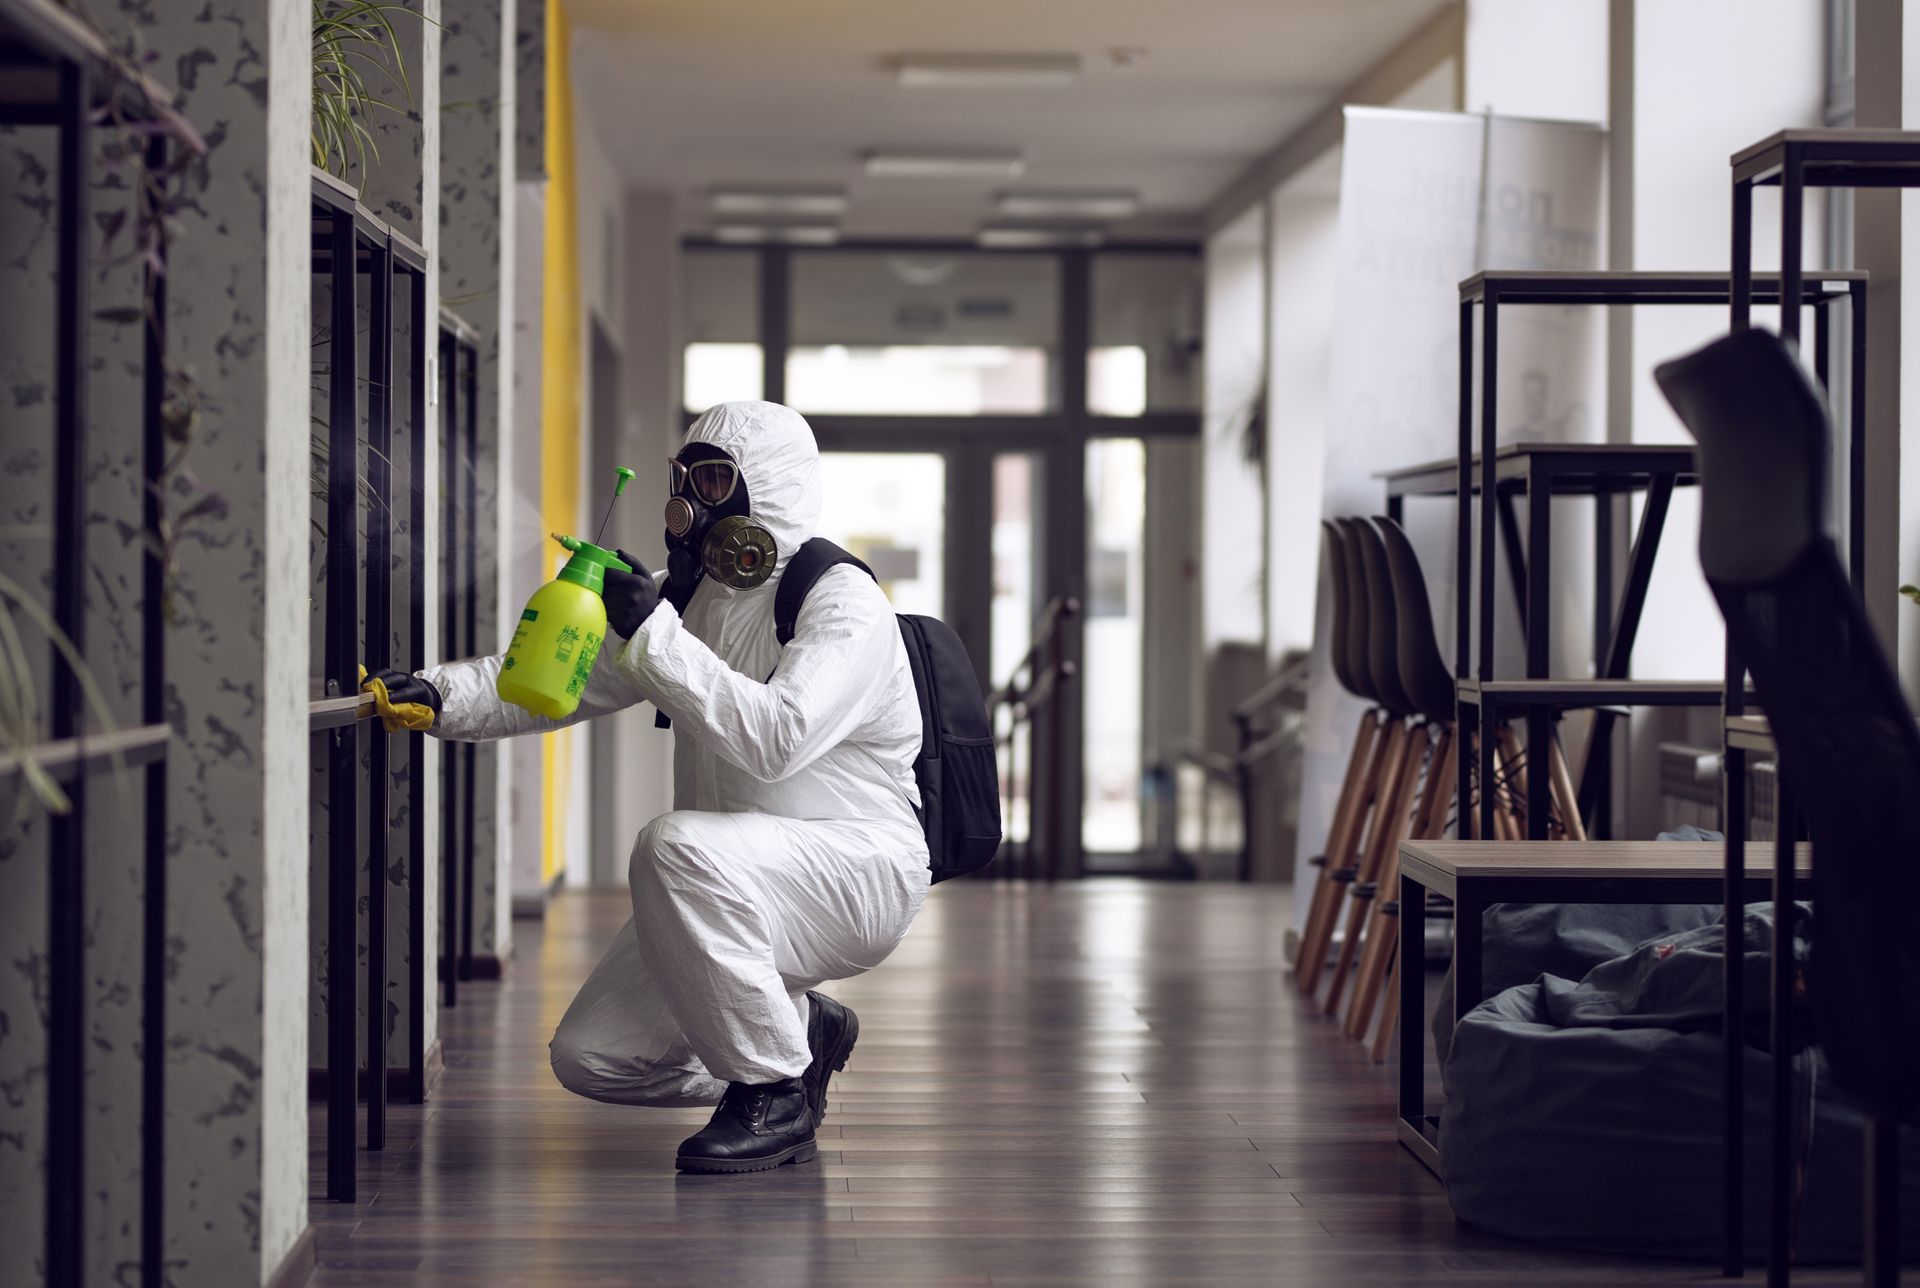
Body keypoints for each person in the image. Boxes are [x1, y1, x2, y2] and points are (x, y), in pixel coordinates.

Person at [363, 400, 928, 1173]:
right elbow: (550, 681)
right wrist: (436, 696)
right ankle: (798, 1037)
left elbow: (777, 739)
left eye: (714, 478)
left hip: (855, 871)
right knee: (591, 1056)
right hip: (731, 879)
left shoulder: (842, 602)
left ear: (768, 490)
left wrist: (653, 633)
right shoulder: (688, 597)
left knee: (671, 845)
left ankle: (773, 1090)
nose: (690, 499)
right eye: (684, 476)